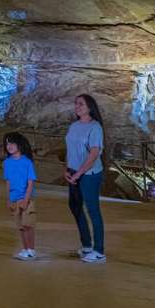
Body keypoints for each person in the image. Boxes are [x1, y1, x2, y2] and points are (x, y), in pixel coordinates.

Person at [62, 93, 107, 262]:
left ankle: (99, 250)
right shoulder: (74, 126)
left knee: (92, 209)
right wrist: (67, 168)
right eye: (76, 103)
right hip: (74, 172)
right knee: (75, 206)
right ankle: (87, 245)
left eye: (81, 104)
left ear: (90, 107)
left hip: (89, 174)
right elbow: (70, 149)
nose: (77, 106)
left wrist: (79, 173)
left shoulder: (95, 127)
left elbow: (94, 153)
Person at [2, 132, 40, 260]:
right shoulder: (7, 163)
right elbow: (8, 182)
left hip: (27, 199)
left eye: (12, 143)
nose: (9, 146)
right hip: (14, 198)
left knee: (28, 225)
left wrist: (26, 199)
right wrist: (8, 199)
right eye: (7, 144)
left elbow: (30, 182)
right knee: (21, 226)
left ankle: (31, 250)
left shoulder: (27, 162)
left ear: (20, 144)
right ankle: (25, 248)